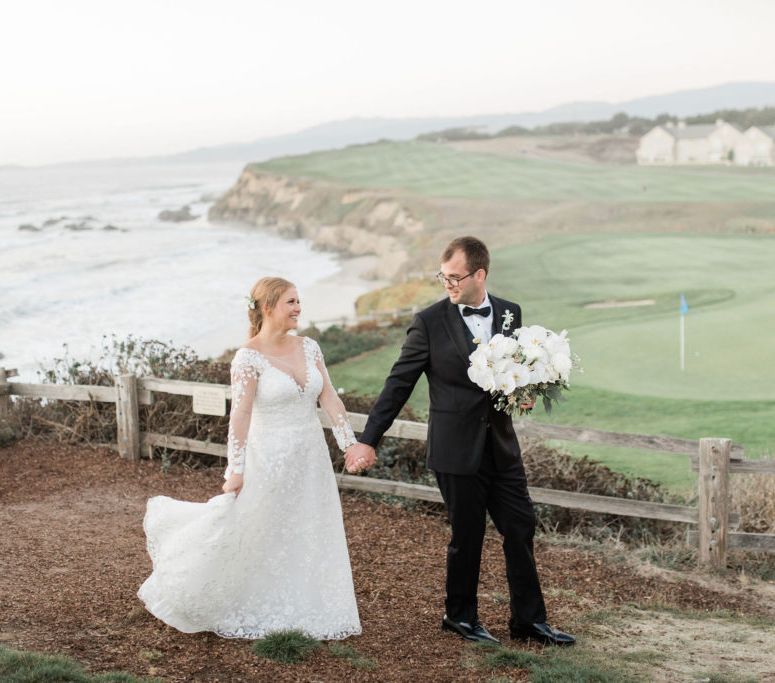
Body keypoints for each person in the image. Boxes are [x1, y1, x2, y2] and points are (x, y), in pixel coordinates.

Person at [344, 236, 575, 647]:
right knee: (466, 536)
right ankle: (460, 616)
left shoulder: (509, 312)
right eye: (443, 276)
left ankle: (529, 621)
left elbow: (513, 369)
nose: (447, 284)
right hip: (454, 449)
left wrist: (525, 390)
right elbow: (399, 383)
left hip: (502, 446)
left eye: (455, 277)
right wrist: (368, 440)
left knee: (520, 528)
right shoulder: (429, 321)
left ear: (480, 274)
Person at [138, 277, 361, 640]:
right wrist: (235, 470)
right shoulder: (247, 357)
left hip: (310, 460)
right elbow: (240, 415)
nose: (298, 308)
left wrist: (348, 444)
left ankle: (310, 604)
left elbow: (330, 398)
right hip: (268, 459)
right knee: (261, 533)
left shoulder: (310, 348)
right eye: (291, 302)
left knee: (310, 528)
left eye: (299, 301)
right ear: (269, 308)